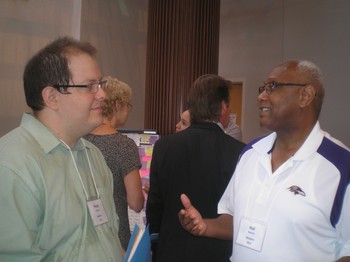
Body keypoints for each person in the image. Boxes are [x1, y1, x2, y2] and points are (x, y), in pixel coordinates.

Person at [179, 60, 350, 261]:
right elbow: (233, 218)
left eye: (273, 87)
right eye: (263, 88)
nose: (261, 96)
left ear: (305, 96)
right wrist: (205, 226)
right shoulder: (250, 153)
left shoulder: (341, 166)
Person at [0, 37, 124, 261]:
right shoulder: (12, 165)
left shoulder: (92, 155)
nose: (102, 94)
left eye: (100, 84)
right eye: (89, 86)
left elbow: (108, 235)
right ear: (52, 97)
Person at [146, 74, 246, 262]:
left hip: (172, 249)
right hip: (218, 252)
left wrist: (153, 241)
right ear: (223, 106)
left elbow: (155, 205)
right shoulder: (240, 152)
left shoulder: (164, 146)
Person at [84, 76, 144, 251]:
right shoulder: (124, 146)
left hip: (87, 233)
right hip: (115, 235)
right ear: (118, 104)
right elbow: (136, 203)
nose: (128, 110)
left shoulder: (81, 140)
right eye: (128, 105)